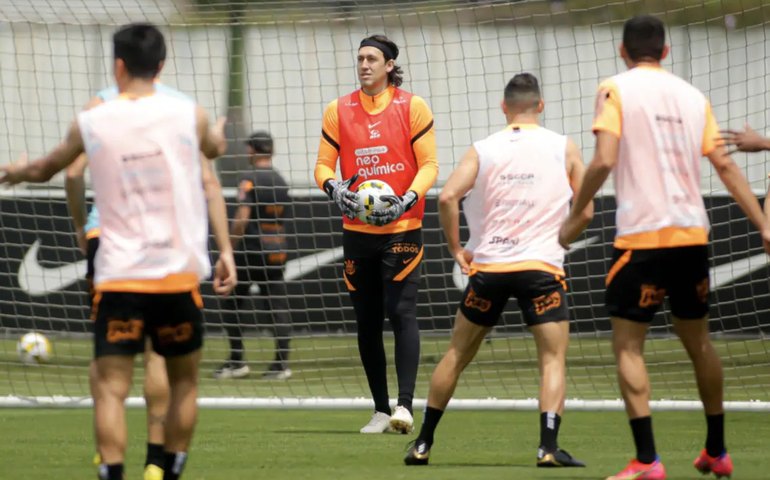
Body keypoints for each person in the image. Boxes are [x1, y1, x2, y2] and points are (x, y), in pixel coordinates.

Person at [0, 23, 236, 480]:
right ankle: (166, 469)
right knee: (183, 381)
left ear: (118, 65)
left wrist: (18, 171)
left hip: (119, 276)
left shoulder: (92, 119)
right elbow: (215, 151)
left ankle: (111, 472)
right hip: (175, 276)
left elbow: (51, 169)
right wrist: (220, 136)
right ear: (161, 65)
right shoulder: (189, 113)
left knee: (109, 388)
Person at [558, 15, 770, 480]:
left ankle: (647, 460)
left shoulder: (614, 89)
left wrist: (576, 210)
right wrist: (763, 225)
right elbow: (726, 166)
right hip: (692, 236)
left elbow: (605, 159)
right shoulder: (693, 97)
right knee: (700, 343)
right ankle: (717, 450)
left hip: (642, 238)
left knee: (628, 348)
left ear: (622, 51)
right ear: (666, 52)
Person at [403, 73, 591, 467]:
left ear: (504, 107)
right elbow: (586, 210)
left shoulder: (483, 148)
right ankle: (548, 447)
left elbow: (448, 196)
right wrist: (563, 237)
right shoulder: (563, 146)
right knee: (552, 359)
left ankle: (422, 443)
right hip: (541, 269)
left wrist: (456, 248)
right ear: (540, 105)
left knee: (457, 353)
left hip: (490, 268)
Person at [65, 80, 230, 480]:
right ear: (159, 64)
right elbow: (209, 182)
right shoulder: (181, 108)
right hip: (165, 243)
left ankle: (108, 449)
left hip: (109, 241)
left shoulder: (101, 107)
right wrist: (225, 249)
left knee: (108, 361)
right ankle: (156, 461)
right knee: (162, 355)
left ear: (120, 64)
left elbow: (72, 172)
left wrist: (80, 228)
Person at [314, 34, 438, 433]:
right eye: (360, 58)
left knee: (401, 311)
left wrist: (407, 199)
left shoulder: (412, 106)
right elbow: (322, 165)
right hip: (356, 230)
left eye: (372, 59)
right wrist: (334, 189)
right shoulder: (338, 109)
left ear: (389, 65)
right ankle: (381, 410)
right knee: (366, 321)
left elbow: (430, 165)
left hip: (402, 227)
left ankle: (404, 406)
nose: (364, 65)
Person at [213, 130, 293, 380]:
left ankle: (237, 361)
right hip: (276, 251)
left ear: (252, 150)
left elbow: (242, 219)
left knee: (232, 302)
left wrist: (228, 248)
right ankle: (281, 364)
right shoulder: (280, 180)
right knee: (276, 307)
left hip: (250, 251)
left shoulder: (249, 179)